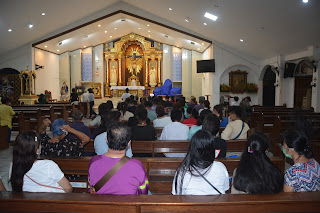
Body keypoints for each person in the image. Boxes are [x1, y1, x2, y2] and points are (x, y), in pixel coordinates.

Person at [88, 123, 149, 195]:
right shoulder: (137, 165)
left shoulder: (94, 162)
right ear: (129, 143)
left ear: (106, 140)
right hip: (128, 205)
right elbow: (143, 193)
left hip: (102, 205)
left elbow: (90, 189)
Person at [172, 130, 229, 195]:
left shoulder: (183, 170)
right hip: (216, 205)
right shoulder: (220, 167)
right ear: (212, 148)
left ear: (192, 148)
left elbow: (177, 194)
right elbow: (225, 188)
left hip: (191, 204)